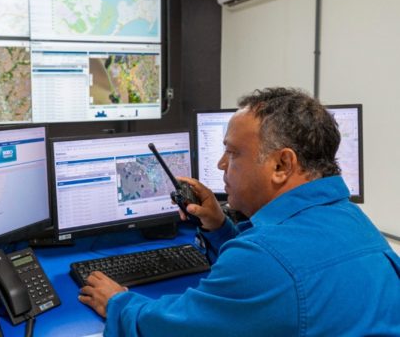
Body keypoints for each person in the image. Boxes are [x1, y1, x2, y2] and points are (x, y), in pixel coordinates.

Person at [78, 87, 400, 336]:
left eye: (232, 153)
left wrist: (118, 303)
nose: (220, 164)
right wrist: (218, 226)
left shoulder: (264, 261)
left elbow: (173, 328)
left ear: (281, 165)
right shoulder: (357, 223)